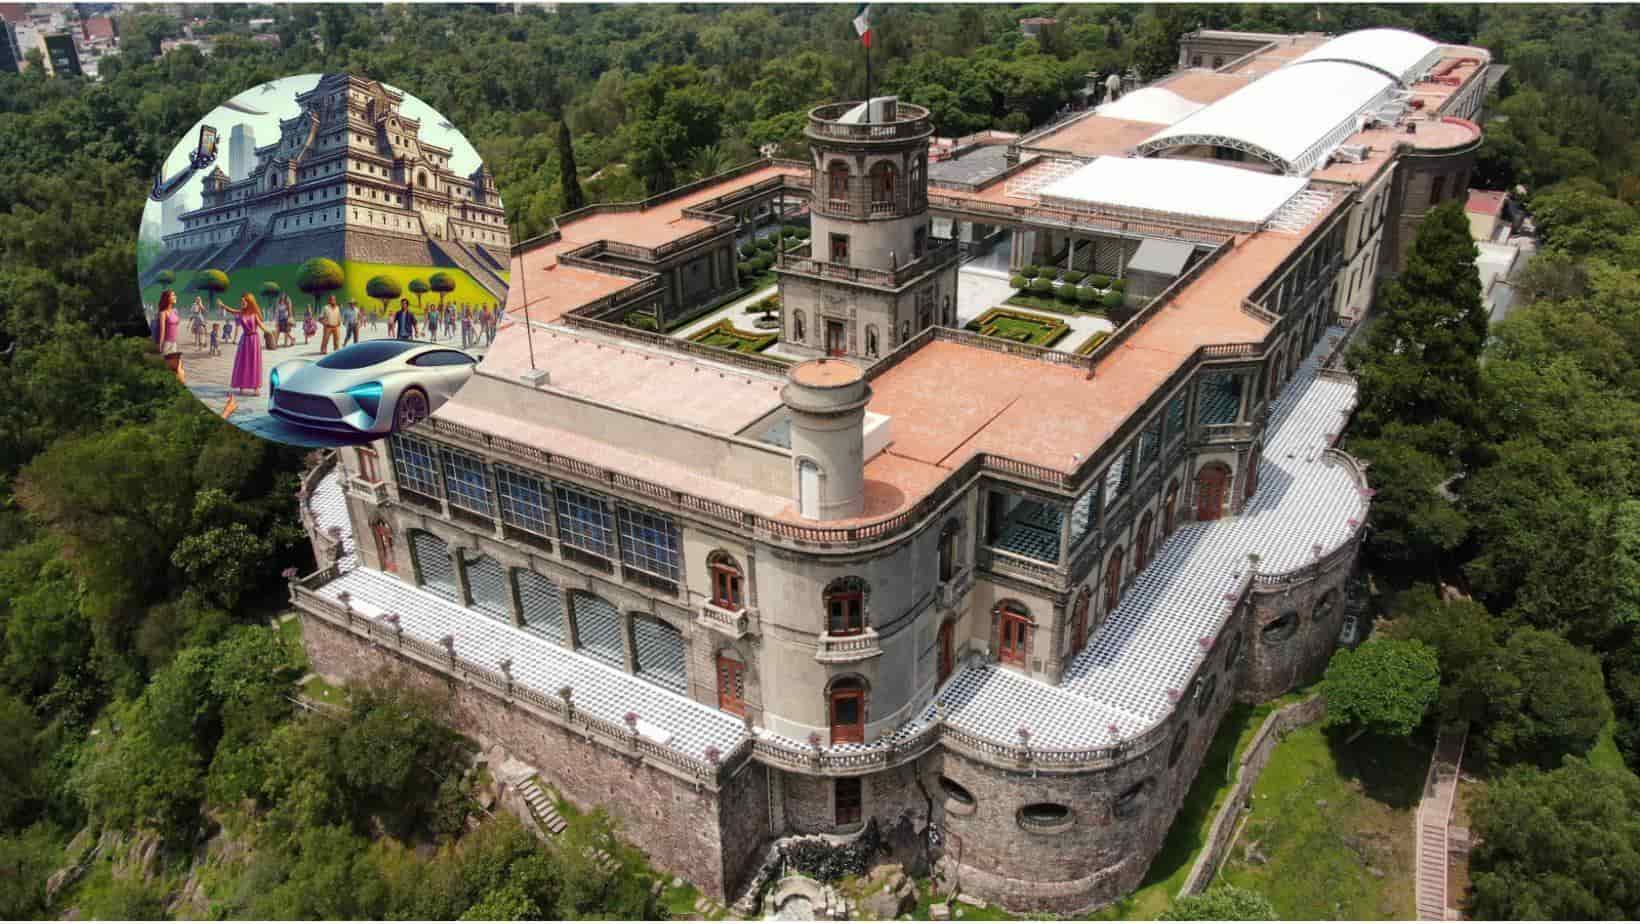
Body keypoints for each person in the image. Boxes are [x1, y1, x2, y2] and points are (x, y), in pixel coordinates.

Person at [221, 293, 271, 396]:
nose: (242, 303)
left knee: (254, 363)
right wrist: (223, 306)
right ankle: (242, 386)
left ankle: (256, 387)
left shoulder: (254, 314)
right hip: (244, 340)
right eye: (241, 301)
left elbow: (261, 325)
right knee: (243, 363)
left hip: (254, 340)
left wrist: (268, 332)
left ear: (249, 302)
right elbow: (232, 311)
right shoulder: (241, 313)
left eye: (244, 301)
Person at [152, 289, 185, 382]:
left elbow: (176, 324)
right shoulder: (163, 313)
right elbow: (162, 331)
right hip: (167, 344)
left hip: (174, 344)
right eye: (173, 295)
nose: (175, 297)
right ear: (167, 298)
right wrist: (159, 346)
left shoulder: (174, 311)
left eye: (175, 295)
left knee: (175, 369)